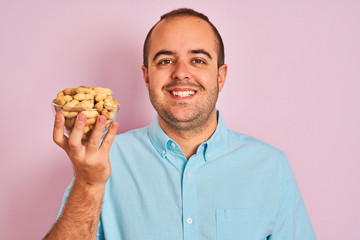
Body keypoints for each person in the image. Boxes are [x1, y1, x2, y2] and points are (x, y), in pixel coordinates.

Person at [44, 8, 317, 240]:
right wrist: (89, 183)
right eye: (165, 60)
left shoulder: (270, 167)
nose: (181, 73)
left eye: (198, 60)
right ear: (147, 76)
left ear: (220, 77)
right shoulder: (103, 159)